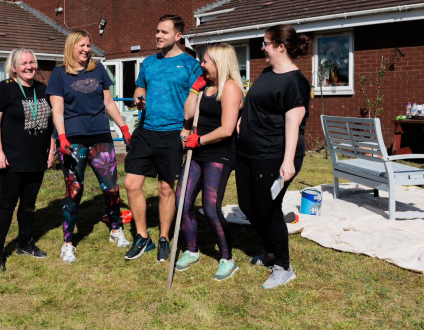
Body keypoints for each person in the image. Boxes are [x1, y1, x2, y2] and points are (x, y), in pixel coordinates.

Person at [235, 24, 312, 289]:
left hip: (274, 154)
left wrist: (288, 160)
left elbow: (294, 122)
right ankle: (269, 252)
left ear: (280, 46)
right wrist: (243, 118)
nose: (262, 48)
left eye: (266, 43)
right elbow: (254, 101)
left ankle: (283, 266)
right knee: (247, 205)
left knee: (268, 208)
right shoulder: (268, 72)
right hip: (248, 151)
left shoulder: (296, 81)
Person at [46, 30, 132, 263]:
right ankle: (67, 243)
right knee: (74, 191)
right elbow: (58, 110)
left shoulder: (99, 69)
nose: (86, 49)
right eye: (81, 45)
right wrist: (61, 138)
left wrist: (123, 128)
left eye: (88, 45)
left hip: (100, 137)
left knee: (111, 188)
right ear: (71, 47)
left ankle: (116, 230)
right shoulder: (58, 74)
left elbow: (108, 102)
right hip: (73, 140)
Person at [124, 15, 202, 262]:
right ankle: (142, 236)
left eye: (164, 32)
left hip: (173, 133)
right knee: (131, 184)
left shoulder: (191, 65)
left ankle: (164, 238)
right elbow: (139, 87)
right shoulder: (148, 62)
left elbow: (196, 101)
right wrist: (138, 97)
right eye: (157, 31)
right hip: (146, 131)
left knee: (165, 188)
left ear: (178, 36)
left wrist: (187, 130)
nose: (158, 36)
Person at [174, 44, 243, 281]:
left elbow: (226, 130)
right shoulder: (206, 87)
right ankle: (192, 250)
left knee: (211, 208)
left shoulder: (231, 88)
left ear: (219, 63)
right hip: (198, 150)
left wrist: (198, 140)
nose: (201, 65)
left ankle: (228, 259)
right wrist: (195, 89)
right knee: (182, 202)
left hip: (219, 153)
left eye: (205, 61)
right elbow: (188, 115)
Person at [0, 48, 55, 272]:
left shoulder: (43, 89)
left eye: (32, 62)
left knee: (28, 205)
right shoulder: (5, 89)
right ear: (14, 67)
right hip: (12, 158)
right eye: (24, 63)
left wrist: (51, 149)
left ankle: (25, 243)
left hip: (37, 157)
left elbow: (52, 124)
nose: (29, 66)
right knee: (7, 204)